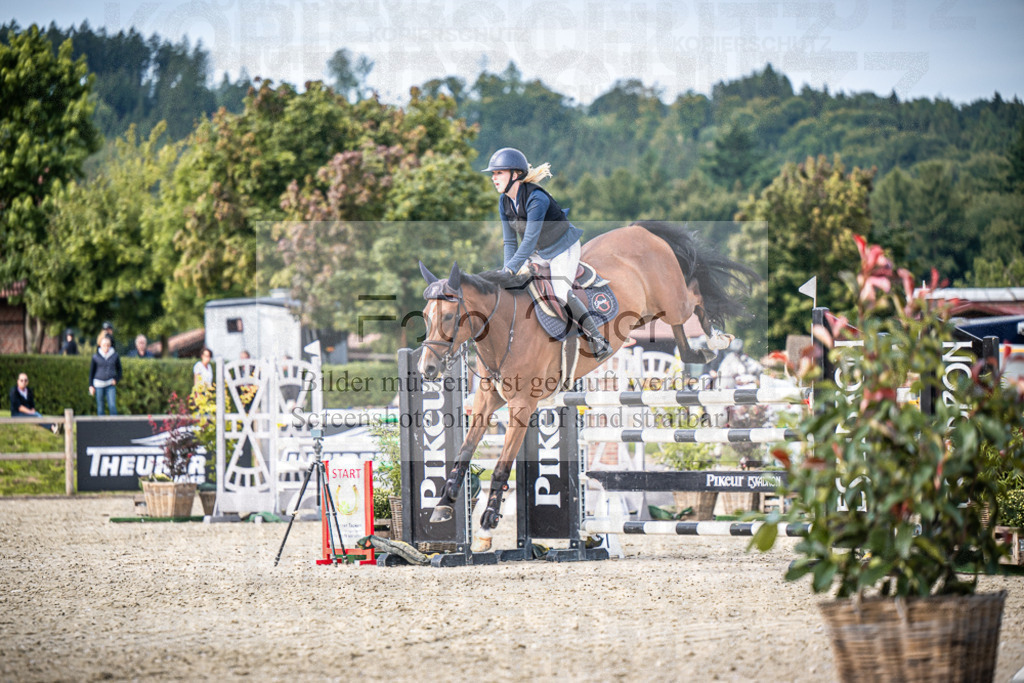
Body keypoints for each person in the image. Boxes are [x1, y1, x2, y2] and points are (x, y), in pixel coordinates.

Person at [482, 147, 612, 362]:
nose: (494, 178)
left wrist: (510, 269)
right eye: (493, 174)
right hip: (538, 252)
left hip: (562, 248)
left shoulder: (536, 198)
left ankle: (597, 339)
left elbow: (529, 240)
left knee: (560, 293)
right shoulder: (504, 201)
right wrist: (506, 271)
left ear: (515, 175)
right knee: (515, 287)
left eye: (499, 173)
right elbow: (510, 241)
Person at [89, 334, 122, 415]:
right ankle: (101, 423)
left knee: (112, 405)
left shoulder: (115, 356)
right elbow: (92, 372)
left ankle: (114, 422)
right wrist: (91, 385)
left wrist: (116, 379)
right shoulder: (95, 357)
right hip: (98, 384)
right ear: (100, 345)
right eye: (104, 345)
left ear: (110, 345)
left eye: (108, 345)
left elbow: (119, 370)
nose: (106, 347)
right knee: (100, 407)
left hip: (110, 384)